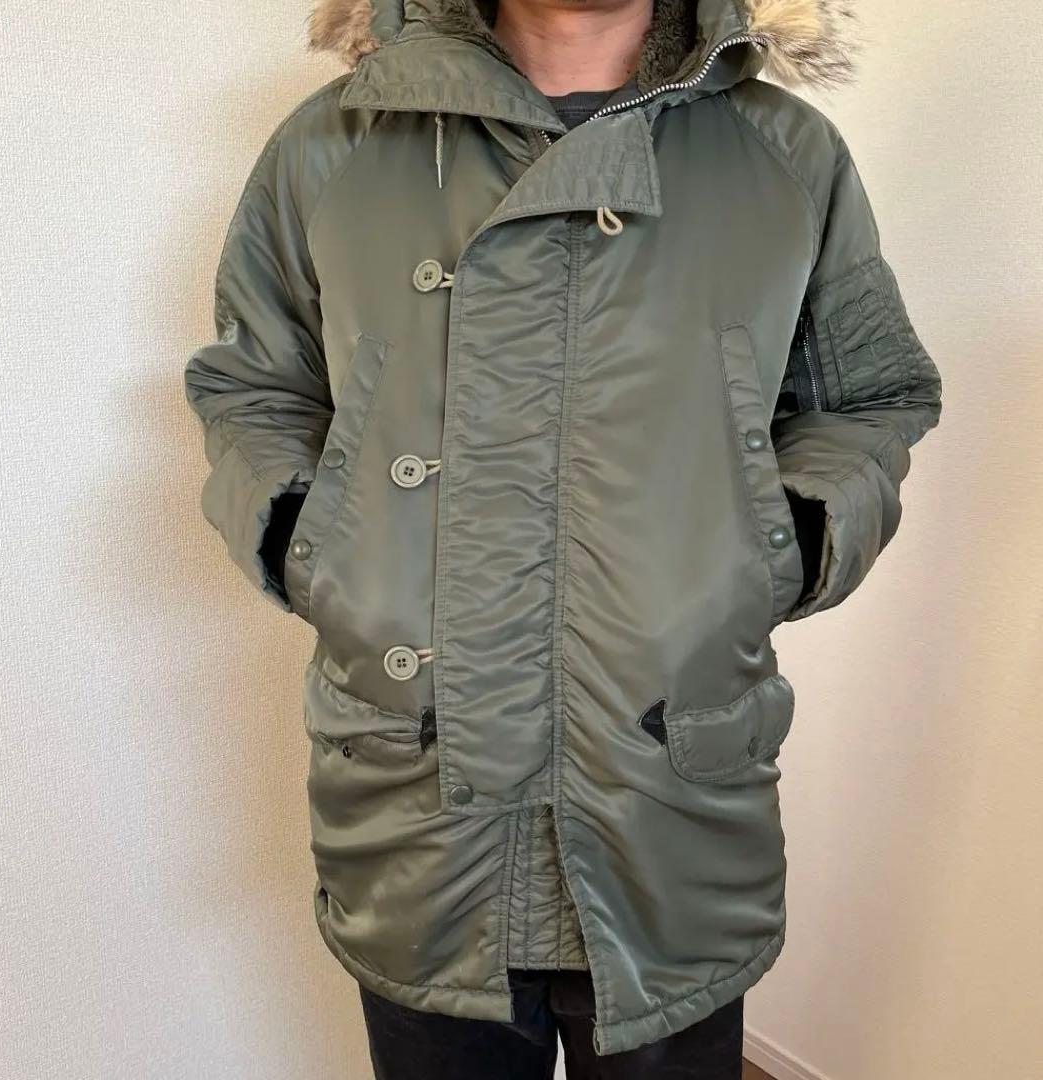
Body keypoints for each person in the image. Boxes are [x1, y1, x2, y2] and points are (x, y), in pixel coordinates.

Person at [184, 0, 943, 1075]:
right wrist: (324, 553)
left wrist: (774, 547)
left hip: (667, 767)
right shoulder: (335, 143)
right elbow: (256, 388)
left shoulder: (783, 151)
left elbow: (867, 397)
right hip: (420, 777)